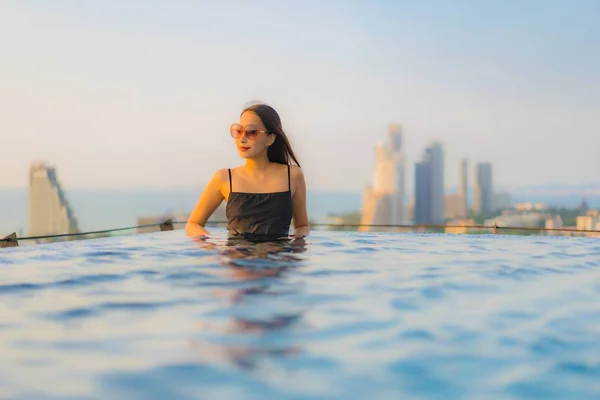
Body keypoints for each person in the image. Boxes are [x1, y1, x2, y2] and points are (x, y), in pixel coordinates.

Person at [186, 102, 310, 240]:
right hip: (236, 259)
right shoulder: (224, 178)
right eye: (238, 131)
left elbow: (302, 227)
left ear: (270, 138)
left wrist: (295, 251)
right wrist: (212, 246)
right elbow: (193, 224)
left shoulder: (292, 175)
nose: (242, 139)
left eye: (251, 132)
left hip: (278, 259)